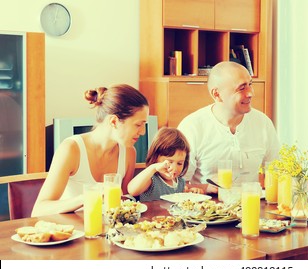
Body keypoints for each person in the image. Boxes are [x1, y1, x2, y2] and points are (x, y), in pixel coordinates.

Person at [32, 84, 149, 217]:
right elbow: (39, 210)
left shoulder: (129, 152)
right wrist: (85, 198)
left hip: (107, 232)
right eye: (138, 125)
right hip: (73, 232)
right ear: (114, 121)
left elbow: (124, 201)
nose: (143, 132)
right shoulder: (71, 149)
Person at [178, 61, 280, 193]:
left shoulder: (263, 123)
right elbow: (178, 184)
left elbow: (277, 172)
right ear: (217, 94)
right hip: (207, 208)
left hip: (252, 206)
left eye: (250, 84)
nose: (250, 93)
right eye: (242, 88)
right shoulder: (191, 127)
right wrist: (207, 188)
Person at [128, 127, 202, 201]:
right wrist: (153, 168)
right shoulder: (152, 180)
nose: (174, 168)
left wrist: (190, 192)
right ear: (156, 157)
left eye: (179, 163)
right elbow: (132, 191)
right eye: (169, 162)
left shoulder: (180, 182)